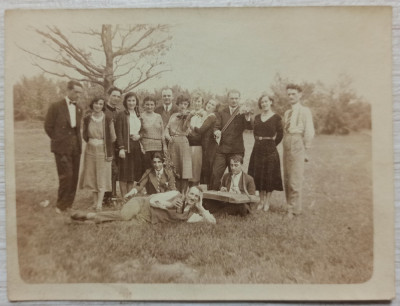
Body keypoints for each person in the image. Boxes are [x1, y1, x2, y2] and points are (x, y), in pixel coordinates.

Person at [70, 186, 216, 224]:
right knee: (123, 215)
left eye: (196, 197)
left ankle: (86, 223)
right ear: (187, 193)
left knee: (122, 225)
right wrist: (169, 204)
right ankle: (90, 215)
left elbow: (212, 222)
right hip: (141, 204)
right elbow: (153, 201)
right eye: (192, 194)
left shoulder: (191, 214)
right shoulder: (175, 194)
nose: (193, 197)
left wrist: (202, 207)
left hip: (146, 219)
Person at [44, 80, 83, 214]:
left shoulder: (79, 108)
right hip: (61, 148)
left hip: (76, 147)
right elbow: (48, 127)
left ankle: (69, 205)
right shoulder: (56, 106)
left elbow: (77, 129)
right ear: (68, 90)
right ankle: (60, 206)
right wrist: (59, 141)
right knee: (66, 175)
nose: (78, 95)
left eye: (80, 93)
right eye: (76, 92)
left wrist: (76, 143)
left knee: (74, 177)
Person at [282, 84, 315, 218]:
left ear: (300, 95)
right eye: (289, 94)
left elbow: (309, 131)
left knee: (295, 178)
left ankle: (293, 210)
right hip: (287, 140)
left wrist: (305, 149)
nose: (290, 96)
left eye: (293, 94)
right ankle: (292, 206)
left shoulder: (305, 111)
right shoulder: (287, 112)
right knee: (287, 176)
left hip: (297, 141)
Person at [210, 90, 252, 190]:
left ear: (239, 99)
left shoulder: (243, 111)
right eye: (232, 98)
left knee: (235, 176)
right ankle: (212, 200)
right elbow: (216, 126)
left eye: (236, 98)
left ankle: (232, 201)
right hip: (222, 150)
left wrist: (247, 115)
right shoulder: (221, 112)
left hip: (237, 150)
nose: (234, 101)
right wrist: (216, 131)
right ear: (228, 99)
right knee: (215, 174)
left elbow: (250, 127)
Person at [248, 93, 283, 212]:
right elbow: (255, 133)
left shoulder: (276, 117)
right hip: (257, 149)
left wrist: (272, 144)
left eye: (266, 101)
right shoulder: (257, 117)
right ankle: (261, 201)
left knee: (269, 175)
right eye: (262, 102)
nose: (264, 104)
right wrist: (260, 142)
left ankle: (267, 202)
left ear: (271, 102)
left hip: (270, 150)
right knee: (259, 175)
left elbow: (280, 134)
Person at [79, 97, 116, 211]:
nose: (98, 106)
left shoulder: (107, 118)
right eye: (96, 103)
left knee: (102, 176)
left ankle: (100, 203)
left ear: (103, 106)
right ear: (92, 104)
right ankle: (94, 202)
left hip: (103, 150)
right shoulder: (87, 118)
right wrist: (92, 141)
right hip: (90, 149)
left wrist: (102, 143)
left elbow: (113, 137)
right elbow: (85, 135)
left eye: (101, 104)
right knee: (92, 175)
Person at [115, 92, 144, 197]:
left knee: (131, 174)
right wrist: (121, 148)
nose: (131, 103)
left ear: (136, 102)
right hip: (126, 145)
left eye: (133, 100)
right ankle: (123, 197)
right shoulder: (122, 115)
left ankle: (129, 197)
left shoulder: (138, 115)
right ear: (125, 102)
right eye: (129, 100)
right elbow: (119, 132)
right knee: (124, 174)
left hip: (136, 146)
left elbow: (142, 130)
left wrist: (139, 136)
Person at [164, 95, 192, 194]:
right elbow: (166, 128)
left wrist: (187, 118)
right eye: (181, 104)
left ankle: (183, 194)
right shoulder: (173, 115)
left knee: (184, 170)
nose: (183, 106)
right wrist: (168, 136)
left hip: (183, 143)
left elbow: (185, 129)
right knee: (173, 169)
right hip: (172, 143)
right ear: (178, 104)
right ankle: (175, 193)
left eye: (185, 104)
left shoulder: (188, 115)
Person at [192, 99, 219, 187]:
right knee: (204, 169)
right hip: (205, 146)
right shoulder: (206, 116)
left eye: (212, 105)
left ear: (215, 108)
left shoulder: (212, 117)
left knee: (208, 169)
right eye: (209, 103)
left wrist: (192, 127)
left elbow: (201, 130)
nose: (209, 105)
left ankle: (208, 191)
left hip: (210, 147)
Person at [103, 86, 122, 204]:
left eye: (118, 96)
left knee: (115, 171)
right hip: (106, 146)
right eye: (113, 95)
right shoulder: (102, 109)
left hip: (117, 145)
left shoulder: (119, 111)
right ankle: (108, 196)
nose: (116, 98)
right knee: (108, 170)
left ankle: (112, 195)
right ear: (108, 96)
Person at [187, 92, 207, 187]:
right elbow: (185, 127)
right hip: (188, 143)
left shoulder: (204, 114)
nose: (197, 103)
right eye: (195, 101)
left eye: (199, 101)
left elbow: (202, 129)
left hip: (198, 144)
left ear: (202, 103)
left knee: (196, 169)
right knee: (188, 169)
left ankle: (194, 189)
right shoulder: (190, 113)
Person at [140, 96, 165, 169]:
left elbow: (162, 132)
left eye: (151, 104)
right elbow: (139, 133)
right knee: (147, 169)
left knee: (158, 168)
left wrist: (165, 146)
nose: (149, 106)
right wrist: (141, 146)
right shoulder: (141, 116)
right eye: (147, 104)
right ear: (144, 105)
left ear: (155, 105)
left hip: (158, 147)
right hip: (146, 147)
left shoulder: (158, 116)